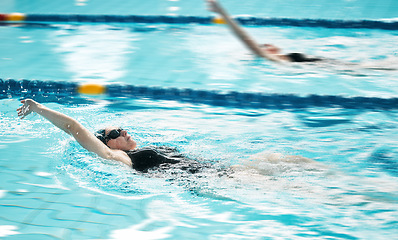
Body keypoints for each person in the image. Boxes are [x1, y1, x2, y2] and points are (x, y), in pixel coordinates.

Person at [16, 99, 213, 174]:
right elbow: (72, 127)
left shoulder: (146, 148)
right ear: (108, 145)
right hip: (208, 180)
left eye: (122, 129)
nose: (125, 132)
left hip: (212, 171)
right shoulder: (121, 157)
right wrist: (38, 108)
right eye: (116, 133)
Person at [206, 0, 322, 63]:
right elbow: (244, 38)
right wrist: (221, 12)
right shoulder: (271, 58)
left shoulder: (282, 56)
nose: (268, 44)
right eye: (264, 46)